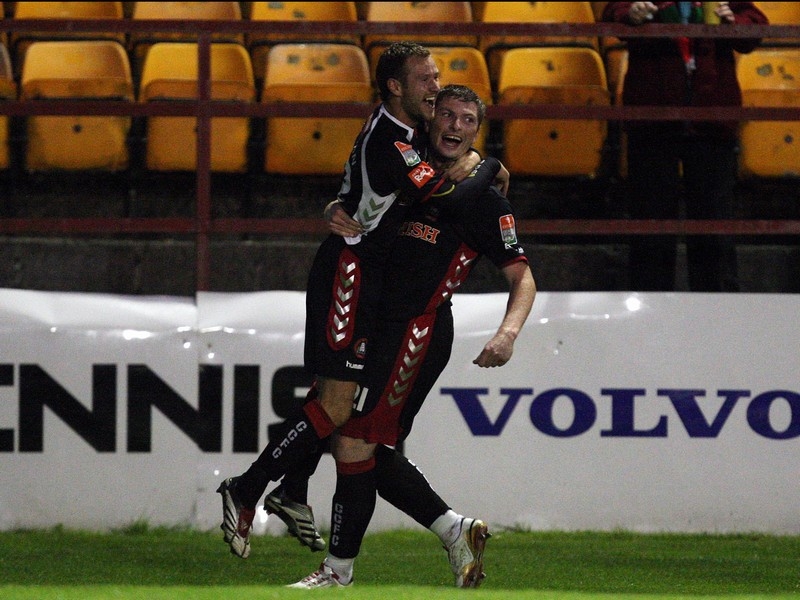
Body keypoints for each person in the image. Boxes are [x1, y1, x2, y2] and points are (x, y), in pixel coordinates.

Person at [216, 42, 508, 561]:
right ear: (395, 86)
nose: (435, 87)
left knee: (342, 412)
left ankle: (290, 490)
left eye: (437, 77)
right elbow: (448, 195)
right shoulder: (393, 143)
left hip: (373, 281)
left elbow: (352, 191)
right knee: (338, 409)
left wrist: (337, 204)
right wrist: (487, 166)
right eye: (425, 79)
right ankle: (249, 488)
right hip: (350, 274)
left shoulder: (410, 131)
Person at [284, 85, 535, 589]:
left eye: (468, 120)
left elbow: (521, 276)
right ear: (431, 120)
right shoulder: (408, 171)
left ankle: (337, 572)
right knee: (359, 442)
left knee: (356, 441)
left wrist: (507, 335)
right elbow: (358, 197)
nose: (456, 126)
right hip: (369, 326)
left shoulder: (486, 200)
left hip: (416, 334)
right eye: (448, 115)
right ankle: (454, 528)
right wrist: (334, 207)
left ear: (475, 133)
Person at [602, 2, 768, 291]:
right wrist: (631, 14)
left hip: (711, 119)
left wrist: (732, 21)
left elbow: (754, 28)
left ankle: (717, 311)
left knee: (714, 223)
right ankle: (647, 307)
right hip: (654, 117)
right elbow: (614, 13)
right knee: (651, 223)